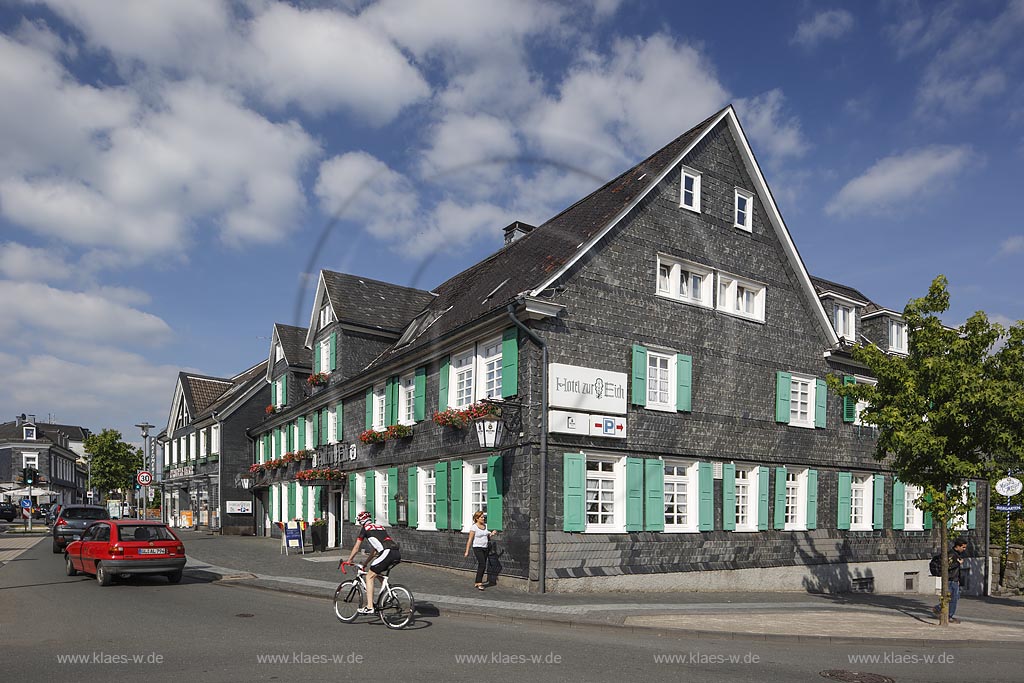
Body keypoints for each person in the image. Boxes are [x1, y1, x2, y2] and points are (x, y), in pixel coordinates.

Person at [345, 511, 401, 614]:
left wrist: (349, 560)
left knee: (369, 577)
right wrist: (365, 564)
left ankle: (370, 607)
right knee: (376, 572)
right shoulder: (380, 527)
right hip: (396, 552)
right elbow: (375, 551)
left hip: (386, 553)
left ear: (362, 521)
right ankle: (391, 593)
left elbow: (357, 547)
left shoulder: (365, 529)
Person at [933, 539, 968, 623]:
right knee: (952, 598)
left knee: (954, 597)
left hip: (954, 579)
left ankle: (943, 611)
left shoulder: (955, 554)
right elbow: (947, 566)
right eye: (963, 547)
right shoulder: (951, 555)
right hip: (951, 580)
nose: (964, 549)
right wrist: (958, 563)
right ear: (958, 546)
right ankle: (945, 613)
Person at [464, 510, 498, 590]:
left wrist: (491, 534)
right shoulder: (474, 527)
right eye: (481, 517)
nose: (483, 518)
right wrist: (467, 551)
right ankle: (479, 583)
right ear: (477, 518)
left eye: (483, 517)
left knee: (482, 565)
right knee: (482, 564)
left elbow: (487, 536)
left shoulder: (485, 526)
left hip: (485, 548)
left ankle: (477, 581)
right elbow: (470, 539)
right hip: (477, 548)